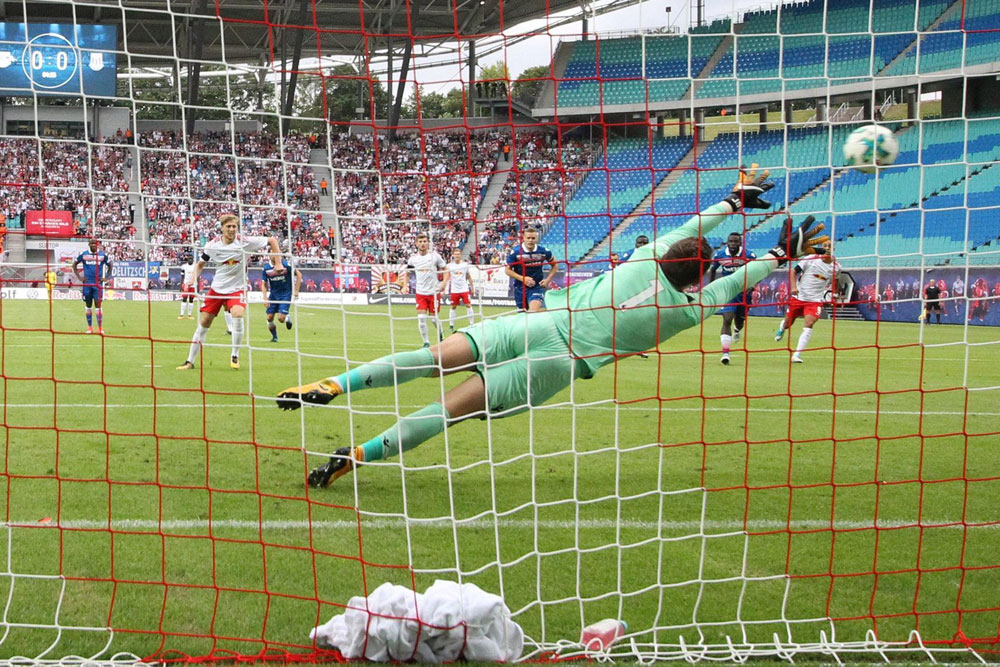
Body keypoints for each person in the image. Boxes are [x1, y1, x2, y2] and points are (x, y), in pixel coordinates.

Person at [276, 167, 828, 488]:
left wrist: (734, 201)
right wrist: (780, 255)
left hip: (534, 325)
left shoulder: (643, 258)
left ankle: (334, 385)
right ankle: (359, 455)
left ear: (669, 254)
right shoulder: (683, 312)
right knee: (448, 410)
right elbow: (730, 287)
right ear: (696, 276)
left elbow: (692, 225)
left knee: (426, 358)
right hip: (557, 364)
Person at [177, 214, 280, 371]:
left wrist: (278, 263)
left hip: (236, 289)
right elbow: (200, 264)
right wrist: (192, 280)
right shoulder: (212, 246)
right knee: (204, 323)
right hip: (217, 289)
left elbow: (272, 240)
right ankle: (190, 361)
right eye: (228, 227)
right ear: (222, 228)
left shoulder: (245, 242)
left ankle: (235, 355)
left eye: (234, 226)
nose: (232, 229)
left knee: (238, 314)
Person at [774, 235, 839, 363]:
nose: (826, 248)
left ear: (833, 249)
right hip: (799, 297)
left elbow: (834, 280)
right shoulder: (810, 259)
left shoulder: (836, 267)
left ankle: (797, 354)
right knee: (788, 324)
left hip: (815, 301)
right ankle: (782, 327)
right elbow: (793, 271)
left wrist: (833, 295)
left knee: (809, 324)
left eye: (829, 246)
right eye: (824, 246)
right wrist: (793, 287)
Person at [708, 232, 757, 365]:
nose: (733, 244)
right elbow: (713, 269)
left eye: (736, 241)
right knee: (727, 319)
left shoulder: (749, 255)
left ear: (740, 243)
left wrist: (753, 285)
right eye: (731, 241)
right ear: (727, 242)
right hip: (728, 292)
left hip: (744, 292)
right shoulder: (720, 255)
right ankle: (725, 353)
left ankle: (737, 330)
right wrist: (711, 285)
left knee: (740, 321)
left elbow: (758, 271)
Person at [404, 233, 447, 347]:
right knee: (421, 318)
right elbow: (407, 274)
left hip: (433, 293)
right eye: (420, 242)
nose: (423, 244)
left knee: (433, 319)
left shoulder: (435, 256)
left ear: (428, 243)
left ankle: (441, 334)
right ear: (416, 244)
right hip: (421, 293)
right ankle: (426, 342)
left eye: (425, 241)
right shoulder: (413, 259)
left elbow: (445, 269)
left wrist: (443, 283)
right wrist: (404, 286)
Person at [506, 227, 557, 312]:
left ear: (537, 239)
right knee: (523, 317)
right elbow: (507, 270)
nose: (530, 240)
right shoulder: (516, 252)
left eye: (533, 238)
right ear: (524, 238)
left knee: (533, 311)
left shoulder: (543, 251)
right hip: (520, 288)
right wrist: (523, 279)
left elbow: (555, 265)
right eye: (528, 238)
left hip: (536, 287)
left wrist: (548, 280)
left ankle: (552, 315)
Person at [72, 239, 112, 334]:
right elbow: (74, 264)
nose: (93, 245)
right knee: (88, 305)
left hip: (98, 284)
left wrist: (106, 277)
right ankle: (90, 327)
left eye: (95, 244)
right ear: (89, 245)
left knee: (98, 304)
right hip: (87, 284)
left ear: (97, 245)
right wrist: (79, 277)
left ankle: (100, 328)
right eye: (92, 244)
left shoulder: (102, 255)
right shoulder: (84, 255)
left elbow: (110, 265)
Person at [262, 257, 302, 342]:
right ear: (269, 255)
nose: (274, 256)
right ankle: (275, 337)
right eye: (272, 253)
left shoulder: (285, 265)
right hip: (273, 295)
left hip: (285, 294)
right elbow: (264, 284)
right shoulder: (266, 268)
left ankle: (287, 318)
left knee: (281, 319)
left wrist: (296, 290)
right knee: (269, 318)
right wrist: (265, 298)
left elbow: (298, 274)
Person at [443, 247, 474, 332]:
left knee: (468, 305)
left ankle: (472, 324)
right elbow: (446, 277)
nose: (457, 255)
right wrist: (444, 288)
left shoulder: (465, 265)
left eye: (458, 254)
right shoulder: (449, 266)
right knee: (453, 306)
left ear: (460, 255)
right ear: (453, 255)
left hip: (464, 289)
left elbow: (468, 276)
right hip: (454, 290)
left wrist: (472, 287)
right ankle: (451, 325)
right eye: (455, 254)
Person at [178, 255, 198, 319]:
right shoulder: (184, 266)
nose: (190, 260)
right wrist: (181, 285)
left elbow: (198, 276)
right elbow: (182, 276)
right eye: (189, 259)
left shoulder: (195, 266)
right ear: (187, 260)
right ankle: (181, 315)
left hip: (193, 284)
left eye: (191, 259)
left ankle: (189, 315)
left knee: (191, 299)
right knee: (184, 298)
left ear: (193, 260)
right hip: (186, 284)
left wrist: (198, 285)